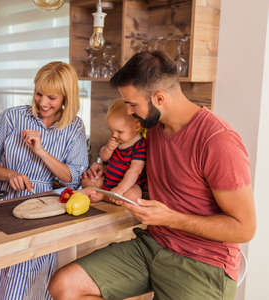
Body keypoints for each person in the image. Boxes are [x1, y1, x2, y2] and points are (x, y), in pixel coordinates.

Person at [49, 51, 256, 300]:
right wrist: (107, 189)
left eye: (133, 104)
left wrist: (171, 218)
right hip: (154, 245)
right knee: (65, 286)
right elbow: (154, 183)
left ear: (159, 98)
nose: (128, 111)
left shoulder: (217, 141)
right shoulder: (154, 128)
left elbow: (244, 229)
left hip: (202, 263)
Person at [0, 61, 89, 299]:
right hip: (2, 202)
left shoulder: (74, 127)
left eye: (52, 98)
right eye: (39, 94)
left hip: (42, 209)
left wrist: (41, 152)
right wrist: (10, 174)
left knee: (26, 274)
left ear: (67, 97)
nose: (43, 103)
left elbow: (72, 178)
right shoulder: (12, 117)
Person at [81, 99, 146, 203]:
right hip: (108, 181)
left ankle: (103, 196)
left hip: (127, 186)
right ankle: (105, 194)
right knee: (87, 181)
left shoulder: (140, 146)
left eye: (119, 131)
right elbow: (103, 157)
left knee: (135, 194)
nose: (114, 135)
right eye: (111, 130)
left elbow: (134, 171)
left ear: (137, 126)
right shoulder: (117, 139)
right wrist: (108, 148)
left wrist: (120, 189)